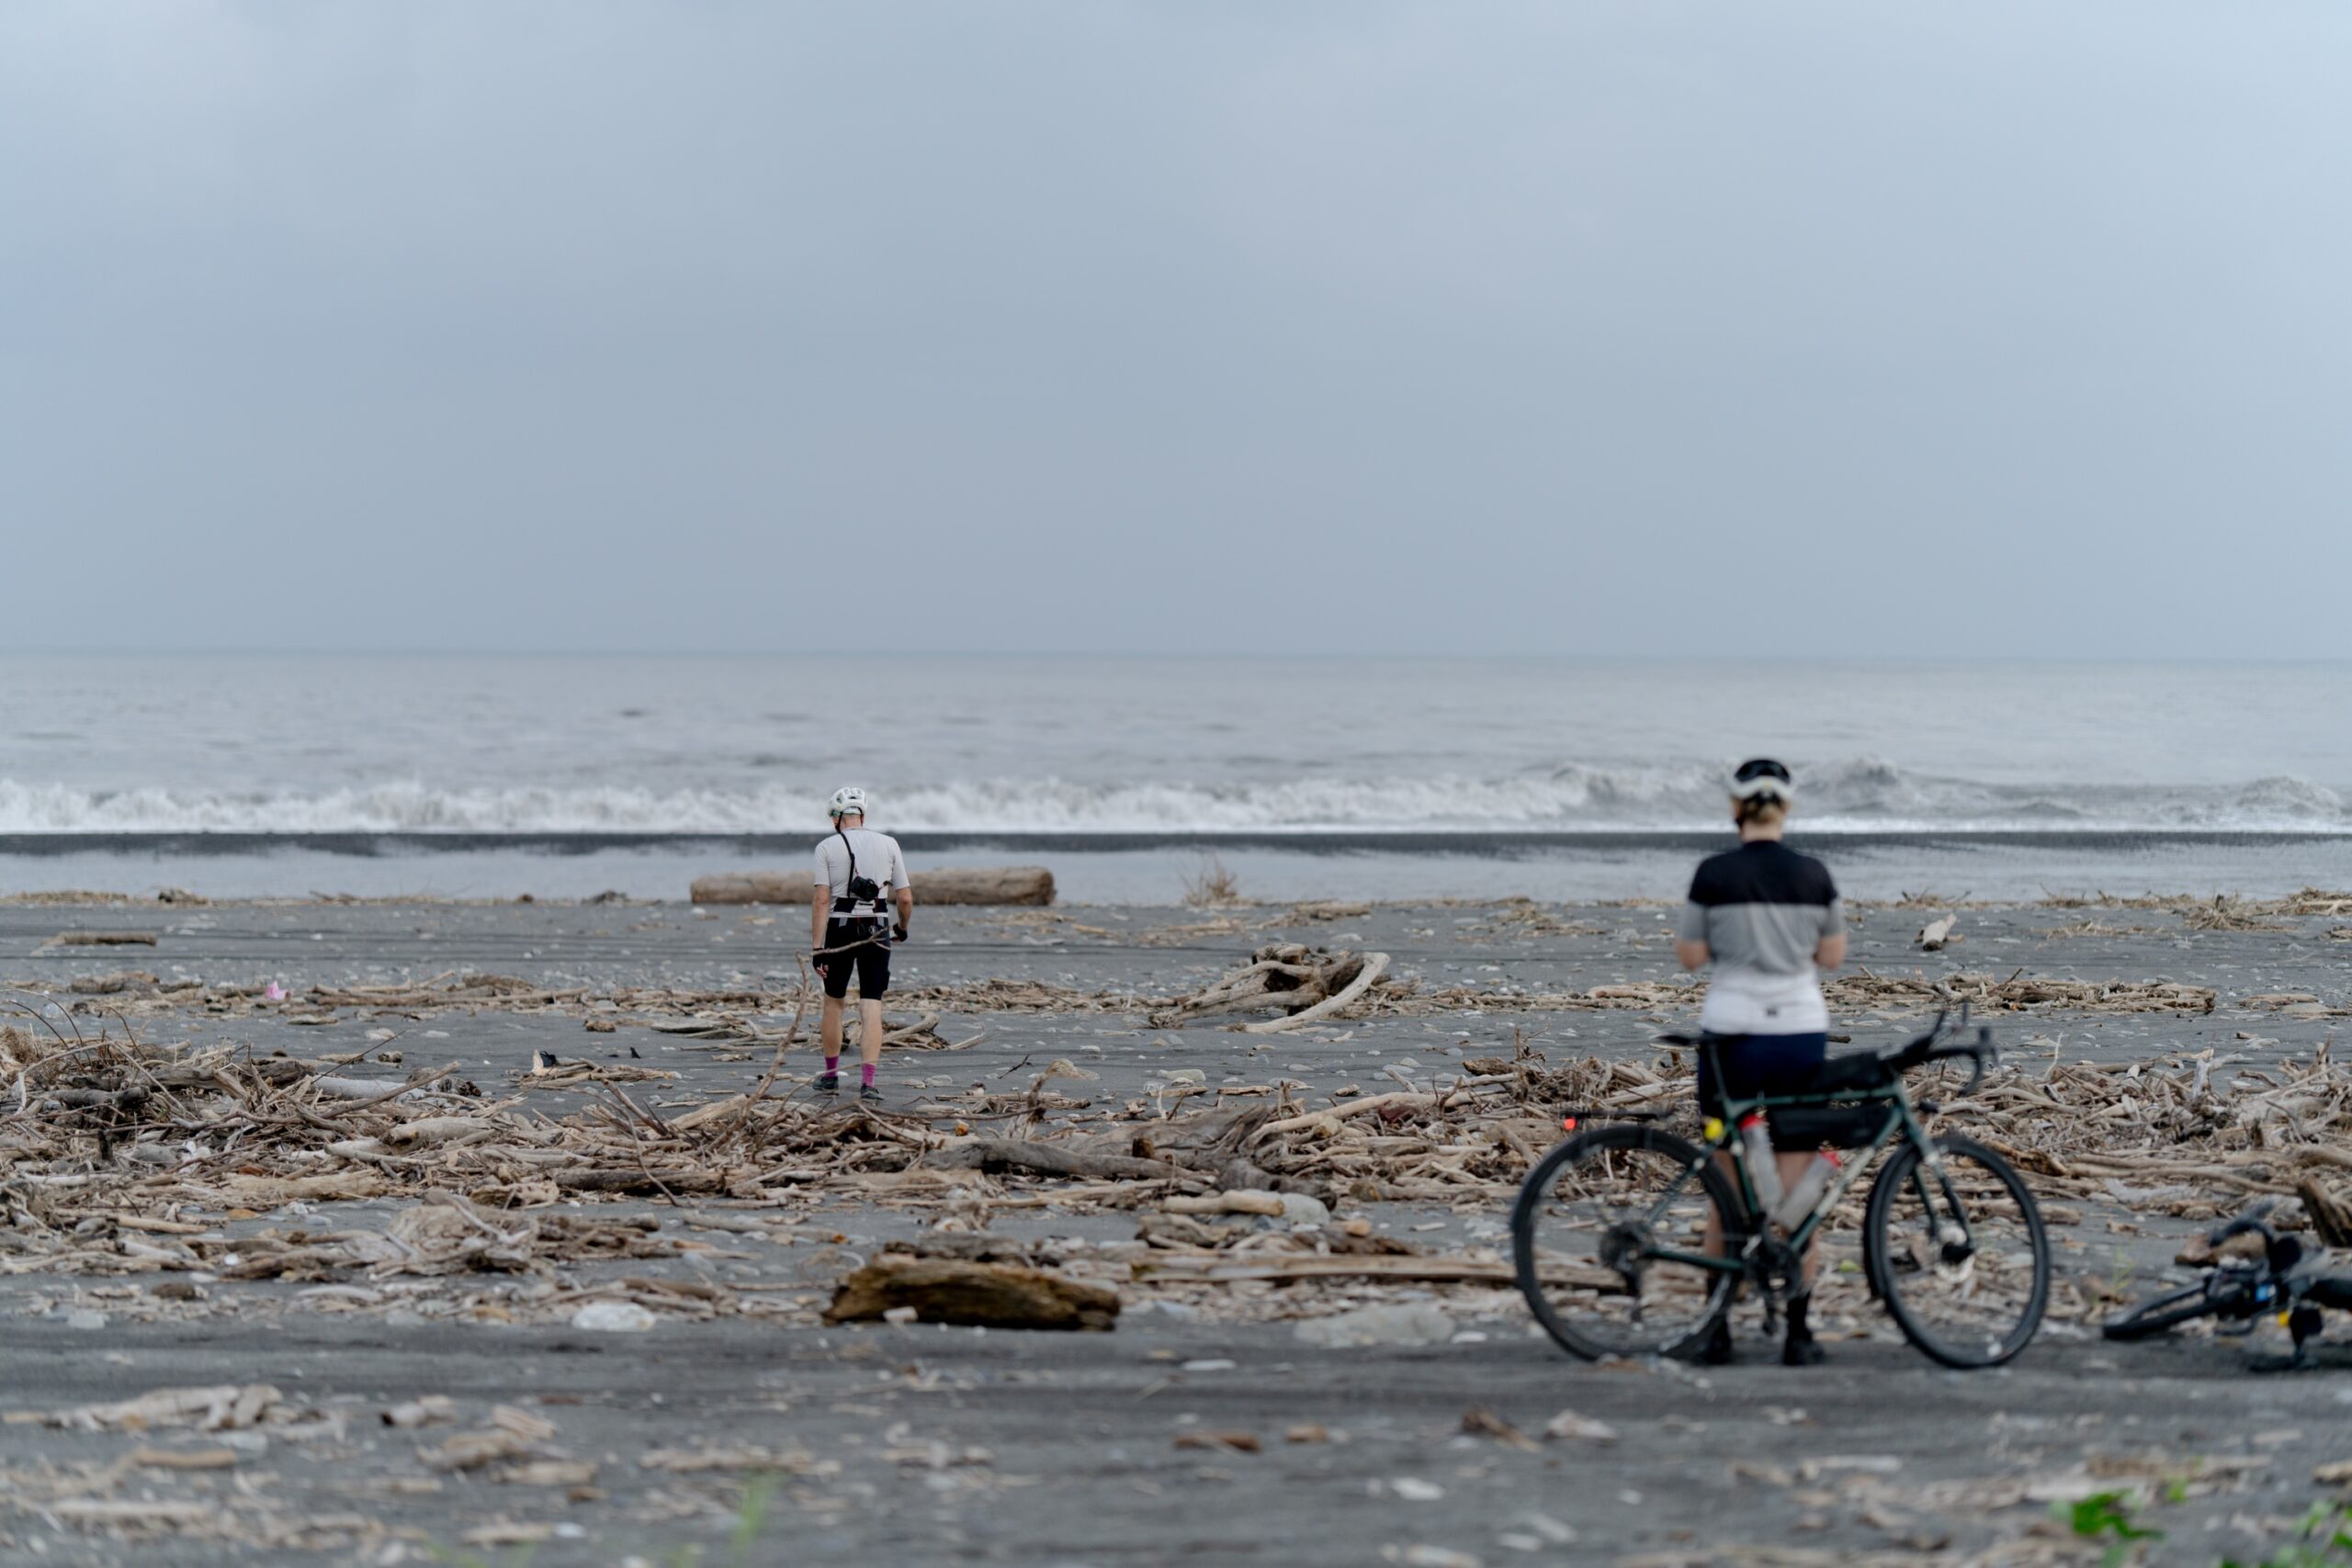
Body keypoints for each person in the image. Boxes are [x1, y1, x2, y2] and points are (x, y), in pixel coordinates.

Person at [1674, 758, 1848, 1366]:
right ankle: (1799, 1333)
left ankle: (1716, 1327)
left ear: (1735, 808)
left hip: (1732, 1039)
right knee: (1800, 1185)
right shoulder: (1814, 874)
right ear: (1786, 808)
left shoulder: (1713, 874)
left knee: (1724, 1185)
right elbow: (1832, 956)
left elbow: (1690, 955)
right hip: (1798, 1035)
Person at [810, 786, 913, 1103]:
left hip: (840, 929)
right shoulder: (889, 844)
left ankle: (831, 1077)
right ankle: (868, 1083)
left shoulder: (826, 847)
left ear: (836, 819)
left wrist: (817, 948)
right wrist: (901, 928)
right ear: (863, 816)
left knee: (834, 1002)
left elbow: (822, 899)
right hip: (877, 929)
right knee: (872, 1004)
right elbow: (905, 898)